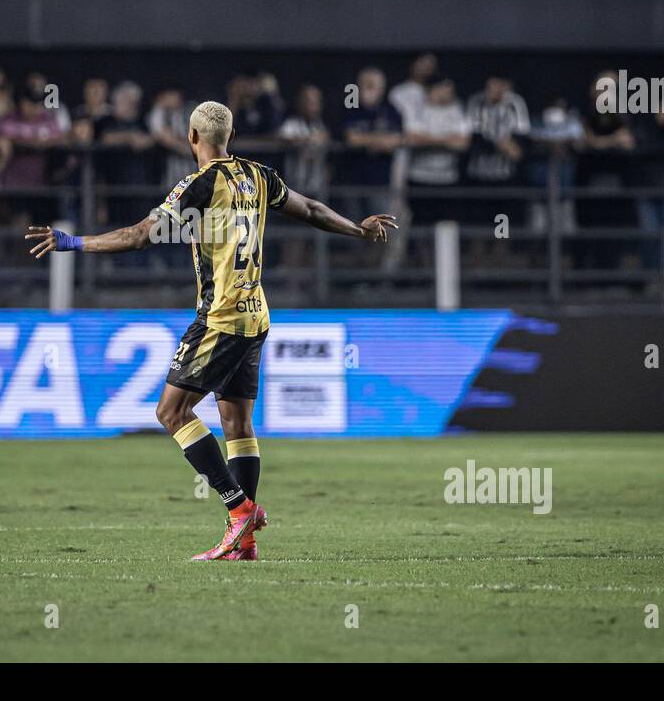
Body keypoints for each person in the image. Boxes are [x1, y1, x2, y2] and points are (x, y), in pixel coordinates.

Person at [25, 101, 397, 561]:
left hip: (220, 319)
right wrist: (358, 231)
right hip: (256, 314)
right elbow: (311, 208)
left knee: (171, 412)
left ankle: (240, 509)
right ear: (232, 135)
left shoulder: (197, 184)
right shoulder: (259, 175)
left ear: (191, 138)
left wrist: (76, 241)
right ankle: (244, 543)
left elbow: (142, 234)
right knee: (237, 423)